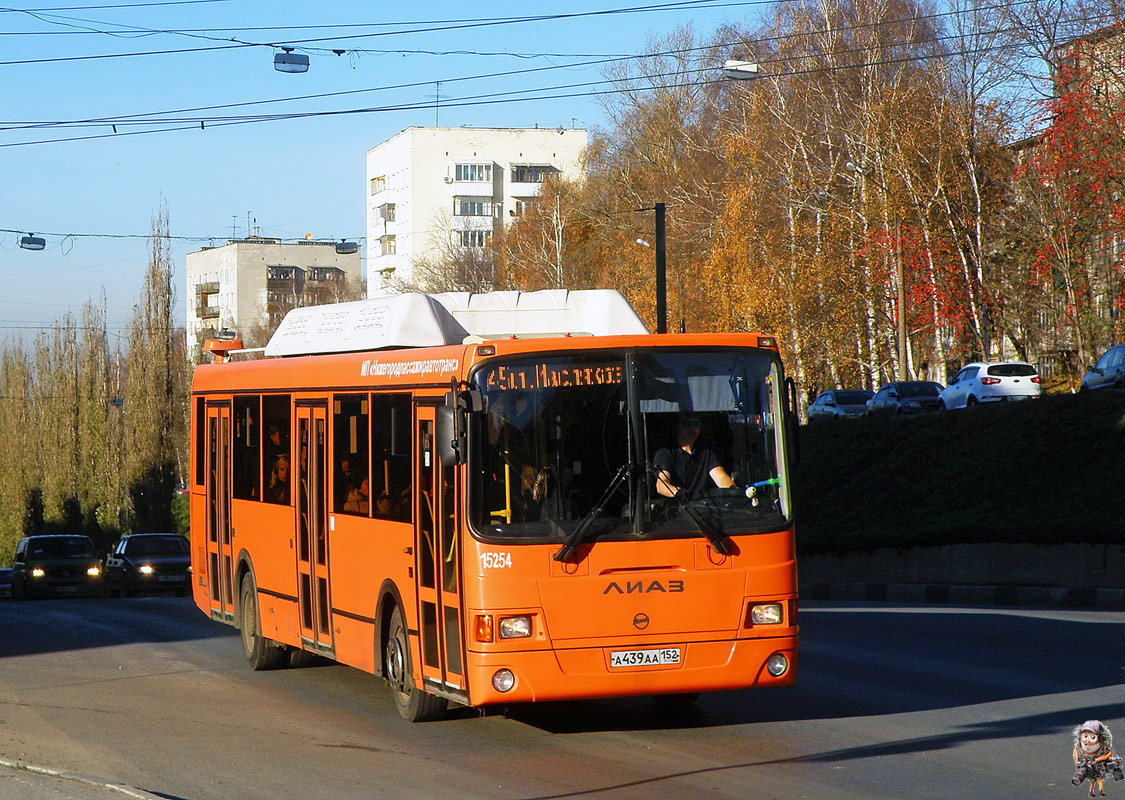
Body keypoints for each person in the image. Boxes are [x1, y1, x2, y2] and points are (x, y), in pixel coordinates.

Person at [653, 414, 736, 500]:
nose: (692, 429)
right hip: (675, 509)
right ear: (677, 427)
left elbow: (720, 477)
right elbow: (661, 485)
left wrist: (734, 492)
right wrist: (680, 493)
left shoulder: (706, 452)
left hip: (702, 509)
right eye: (686, 424)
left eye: (696, 424)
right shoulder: (665, 453)